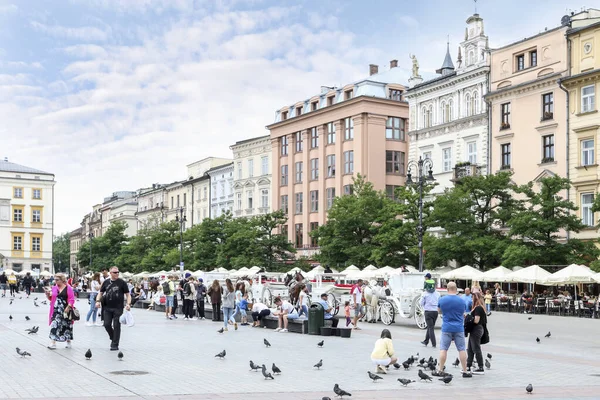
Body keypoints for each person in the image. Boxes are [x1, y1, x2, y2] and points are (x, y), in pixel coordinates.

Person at [436, 282, 472, 378]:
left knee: (443, 349)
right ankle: (465, 371)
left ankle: (440, 369)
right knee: (461, 349)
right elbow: (463, 312)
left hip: (446, 327)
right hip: (459, 328)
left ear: (447, 289)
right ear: (456, 289)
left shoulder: (442, 300)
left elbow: (439, 311)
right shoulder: (462, 301)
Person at [95, 266, 131, 351]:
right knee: (107, 324)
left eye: (118, 272)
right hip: (107, 307)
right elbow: (100, 293)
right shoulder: (106, 282)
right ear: (110, 273)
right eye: (115, 272)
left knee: (116, 325)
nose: (117, 273)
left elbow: (128, 295)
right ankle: (112, 337)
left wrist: (128, 304)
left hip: (118, 308)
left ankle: (115, 344)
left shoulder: (122, 282)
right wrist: (97, 301)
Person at [45, 273, 75, 350]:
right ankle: (53, 342)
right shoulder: (54, 288)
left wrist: (68, 307)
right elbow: (51, 299)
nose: (55, 281)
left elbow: (72, 299)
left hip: (65, 309)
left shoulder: (68, 288)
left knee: (67, 326)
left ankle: (68, 341)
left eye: (57, 280)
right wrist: (47, 294)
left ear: (62, 280)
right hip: (56, 310)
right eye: (55, 279)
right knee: (54, 325)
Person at [466, 293, 487, 375]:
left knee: (475, 348)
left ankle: (480, 366)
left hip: (476, 329)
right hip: (475, 329)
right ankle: (468, 365)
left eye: (472, 297)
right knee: (470, 348)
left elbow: (476, 320)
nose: (471, 299)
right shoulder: (479, 307)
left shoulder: (478, 308)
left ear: (476, 298)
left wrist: (468, 318)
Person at [420, 283, 440, 348]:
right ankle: (426, 341)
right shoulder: (437, 293)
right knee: (430, 326)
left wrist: (425, 305)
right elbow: (439, 302)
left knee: (431, 328)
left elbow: (421, 303)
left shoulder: (425, 293)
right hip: (435, 312)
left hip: (428, 312)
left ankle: (434, 343)